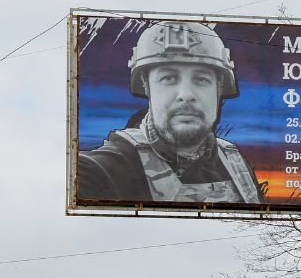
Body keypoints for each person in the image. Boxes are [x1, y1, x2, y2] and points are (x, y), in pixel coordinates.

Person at [77, 21, 262, 205]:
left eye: (201, 79)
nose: (186, 95)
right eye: (169, 78)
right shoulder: (102, 169)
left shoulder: (236, 164)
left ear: (219, 89)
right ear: (146, 86)